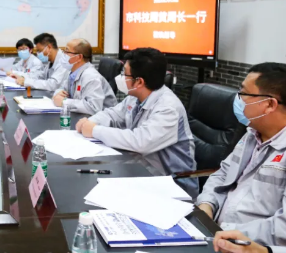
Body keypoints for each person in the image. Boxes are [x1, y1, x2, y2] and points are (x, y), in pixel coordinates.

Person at [196, 63, 286, 248]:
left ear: (269, 104)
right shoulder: (252, 134)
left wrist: (228, 232)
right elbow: (222, 174)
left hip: (249, 248)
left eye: (244, 93)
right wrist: (206, 205)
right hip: (215, 235)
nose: (238, 99)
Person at [75, 48, 198, 198]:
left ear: (139, 81)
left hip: (171, 184)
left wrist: (95, 130)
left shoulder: (168, 108)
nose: (121, 78)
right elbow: (113, 114)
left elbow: (140, 141)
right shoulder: (136, 96)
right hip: (141, 170)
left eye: (124, 74)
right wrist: (90, 122)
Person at [51, 38, 117, 115]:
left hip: (103, 119)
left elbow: (93, 107)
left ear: (79, 57)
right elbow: (62, 89)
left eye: (67, 51)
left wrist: (64, 102)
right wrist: (58, 93)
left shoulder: (91, 77)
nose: (63, 54)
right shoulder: (73, 72)